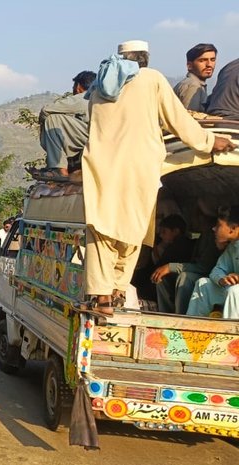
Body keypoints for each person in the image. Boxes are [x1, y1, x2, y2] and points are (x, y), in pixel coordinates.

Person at [81, 40, 236, 315]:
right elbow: (177, 118)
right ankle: (118, 289)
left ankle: (101, 298)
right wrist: (210, 141)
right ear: (145, 59)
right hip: (139, 165)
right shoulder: (151, 78)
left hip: (102, 166)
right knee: (133, 229)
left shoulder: (97, 89)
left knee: (101, 229)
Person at [153, 214, 228, 314]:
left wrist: (171, 267)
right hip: (211, 275)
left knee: (185, 277)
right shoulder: (202, 237)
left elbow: (204, 267)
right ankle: (166, 314)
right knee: (162, 277)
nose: (192, 218)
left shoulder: (211, 237)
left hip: (212, 277)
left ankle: (181, 316)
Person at [36, 70, 96, 179]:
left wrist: (44, 128)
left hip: (91, 137)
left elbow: (46, 110)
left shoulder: (84, 97)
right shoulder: (100, 97)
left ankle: (59, 169)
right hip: (103, 136)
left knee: (53, 119)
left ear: (78, 86)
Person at [186, 207, 239, 318]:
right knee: (203, 284)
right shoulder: (232, 247)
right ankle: (194, 329)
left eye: (219, 225)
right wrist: (222, 279)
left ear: (232, 228)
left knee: (234, 291)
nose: (214, 229)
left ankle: (229, 333)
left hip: (235, 292)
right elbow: (217, 270)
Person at [173, 43, 217, 112]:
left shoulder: (196, 84)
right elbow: (190, 117)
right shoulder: (193, 86)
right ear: (189, 65)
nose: (209, 64)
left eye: (212, 60)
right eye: (202, 60)